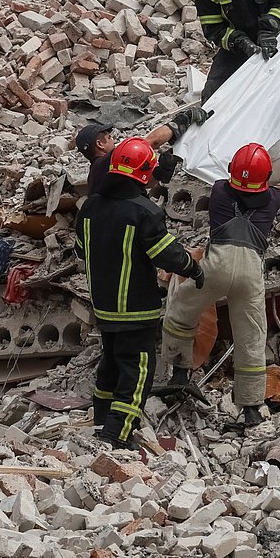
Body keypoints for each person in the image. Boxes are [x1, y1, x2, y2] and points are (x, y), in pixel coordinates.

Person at [158, 139, 280, 427]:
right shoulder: (272, 200)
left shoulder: (219, 191)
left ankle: (179, 375)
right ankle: (251, 408)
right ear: (265, 178)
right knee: (251, 336)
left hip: (215, 267)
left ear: (231, 170)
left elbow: (234, 181)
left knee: (182, 308)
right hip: (250, 274)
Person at [74, 137, 204, 445]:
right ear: (145, 175)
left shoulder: (90, 206)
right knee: (137, 371)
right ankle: (116, 436)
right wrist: (194, 268)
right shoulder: (143, 212)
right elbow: (167, 255)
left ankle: (101, 421)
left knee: (112, 364)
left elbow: (81, 251)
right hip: (135, 308)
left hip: (104, 306)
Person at [75, 105, 212, 193]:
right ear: (100, 144)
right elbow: (151, 142)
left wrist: (159, 172)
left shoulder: (96, 174)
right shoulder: (110, 161)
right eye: (109, 137)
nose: (113, 139)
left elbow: (142, 184)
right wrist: (183, 120)